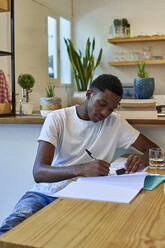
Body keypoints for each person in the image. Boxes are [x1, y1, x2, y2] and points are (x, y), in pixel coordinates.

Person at [0, 74, 158, 236]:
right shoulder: (57, 118)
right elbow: (39, 173)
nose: (104, 113)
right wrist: (81, 169)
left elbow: (155, 150)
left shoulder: (115, 123)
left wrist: (141, 159)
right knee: (9, 231)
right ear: (89, 94)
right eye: (101, 104)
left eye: (111, 109)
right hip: (44, 194)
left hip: (86, 197)